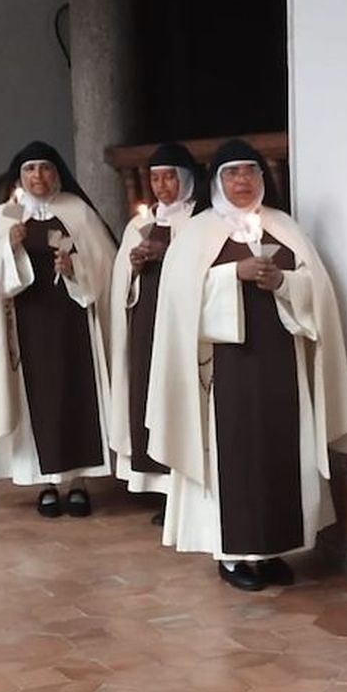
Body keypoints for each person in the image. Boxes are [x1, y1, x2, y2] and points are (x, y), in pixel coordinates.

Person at [146, 138, 347, 591]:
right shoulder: (197, 234)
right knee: (235, 456)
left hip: (282, 364)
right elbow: (181, 305)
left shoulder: (285, 226)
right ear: (216, 182)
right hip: (225, 370)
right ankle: (234, 555)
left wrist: (283, 282)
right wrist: (231, 276)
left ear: (263, 178)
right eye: (233, 173)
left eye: (250, 171)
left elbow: (318, 294)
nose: (243, 181)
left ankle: (275, 549)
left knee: (281, 451)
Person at [0, 141, 116, 517]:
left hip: (72, 324)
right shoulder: (2, 217)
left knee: (75, 394)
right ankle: (46, 483)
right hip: (25, 326)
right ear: (19, 177)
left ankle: (78, 482)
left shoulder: (78, 211)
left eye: (45, 168)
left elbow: (105, 266)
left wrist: (75, 269)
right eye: (30, 169)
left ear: (57, 173)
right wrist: (9, 249)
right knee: (36, 401)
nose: (38, 176)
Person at [107, 143, 203, 521]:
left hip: (181, 325)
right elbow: (122, 285)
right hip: (146, 322)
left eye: (170, 177)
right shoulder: (138, 225)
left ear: (187, 179)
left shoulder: (200, 222)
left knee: (178, 395)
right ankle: (162, 490)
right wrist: (133, 265)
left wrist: (169, 256)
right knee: (148, 393)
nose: (162, 186)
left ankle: (183, 488)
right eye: (156, 178)